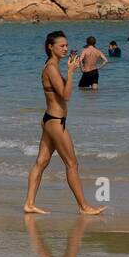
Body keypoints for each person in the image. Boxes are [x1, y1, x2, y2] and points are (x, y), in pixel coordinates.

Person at [23, 30, 106, 216]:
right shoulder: (52, 68)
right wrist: (70, 72)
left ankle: (29, 203)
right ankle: (84, 206)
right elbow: (66, 95)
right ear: (50, 47)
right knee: (72, 164)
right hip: (55, 122)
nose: (66, 49)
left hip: (50, 120)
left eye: (67, 45)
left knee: (41, 162)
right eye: (62, 46)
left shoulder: (52, 66)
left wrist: (69, 72)